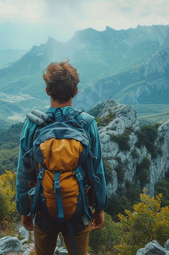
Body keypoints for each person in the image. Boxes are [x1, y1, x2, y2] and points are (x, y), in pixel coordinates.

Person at [15, 60, 107, 255]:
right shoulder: (87, 123)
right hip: (78, 208)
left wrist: (25, 210)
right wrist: (99, 207)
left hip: (42, 207)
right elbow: (96, 170)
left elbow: (24, 171)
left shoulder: (33, 125)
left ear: (48, 91)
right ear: (75, 91)